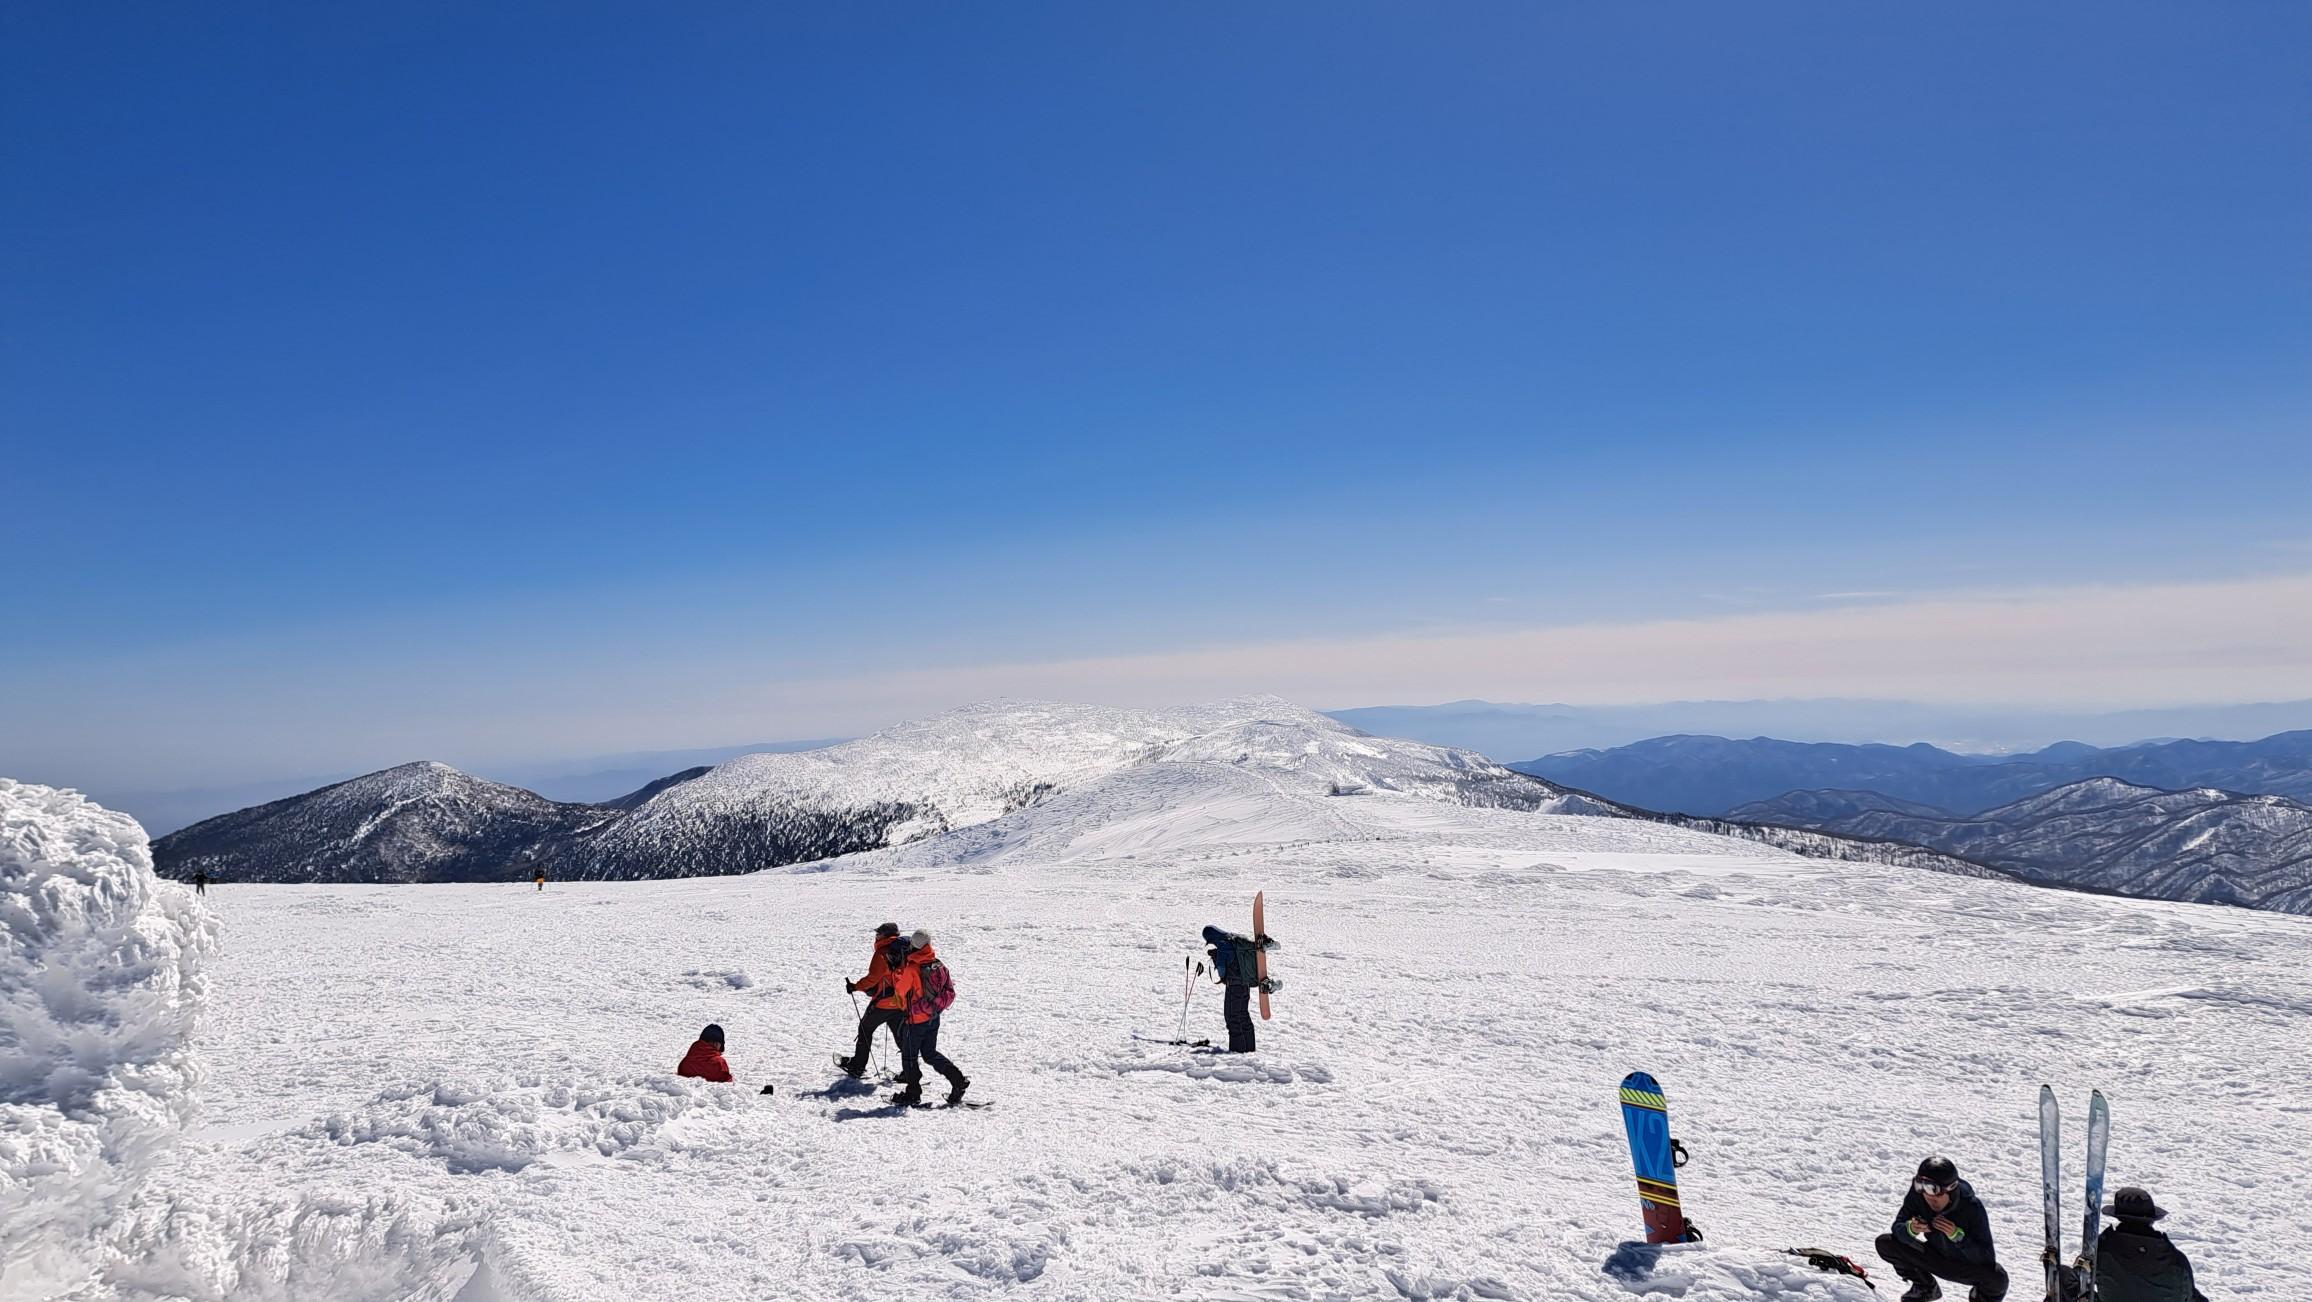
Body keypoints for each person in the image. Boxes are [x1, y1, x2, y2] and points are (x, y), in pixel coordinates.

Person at [1873, 1156, 2008, 1302]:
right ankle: (1925, 1288)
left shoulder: (1971, 1207)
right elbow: (1897, 1227)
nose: (1928, 1197)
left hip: (1963, 1265)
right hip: (1933, 1256)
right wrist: (1910, 1229)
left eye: (1933, 1190)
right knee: (1886, 1243)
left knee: (1998, 1279)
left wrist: (1958, 1237)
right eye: (1921, 1187)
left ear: (1950, 1189)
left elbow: (1986, 1258)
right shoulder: (1919, 1195)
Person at [889, 929, 968, 1107]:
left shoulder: (912, 968)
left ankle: (913, 1093)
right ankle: (958, 1080)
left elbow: (899, 993)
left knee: (909, 1056)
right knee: (929, 1053)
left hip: (916, 1020)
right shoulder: (938, 964)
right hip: (933, 1017)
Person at [2093, 1187, 2207, 1302]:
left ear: (2118, 1217)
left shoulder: (2101, 1251)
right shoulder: (2176, 1259)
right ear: (2151, 1219)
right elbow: (2190, 1295)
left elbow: (2077, 1282)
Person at [837, 922, 909, 1078]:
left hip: (884, 1002)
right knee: (900, 1035)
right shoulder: (906, 950)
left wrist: (856, 987)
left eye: (878, 934)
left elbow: (872, 978)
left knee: (865, 1029)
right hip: (901, 1001)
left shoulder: (882, 953)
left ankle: (857, 1066)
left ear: (884, 935)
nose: (876, 936)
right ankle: (910, 1072)